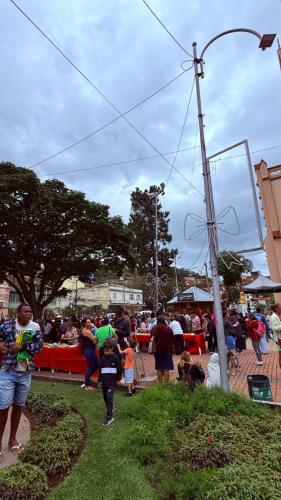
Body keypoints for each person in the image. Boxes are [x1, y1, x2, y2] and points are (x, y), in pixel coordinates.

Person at [0, 304, 43, 457]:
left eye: (30, 312)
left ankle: (12, 440)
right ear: (17, 313)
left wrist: (23, 346)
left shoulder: (35, 327)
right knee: (3, 407)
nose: (29, 314)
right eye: (25, 311)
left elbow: (39, 346)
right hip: (8, 371)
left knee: (18, 406)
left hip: (25, 372)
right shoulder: (7, 325)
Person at [99, 339, 122, 426]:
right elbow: (100, 369)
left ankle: (109, 416)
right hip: (104, 382)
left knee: (109, 397)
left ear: (112, 349)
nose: (105, 351)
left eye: (107, 349)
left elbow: (119, 369)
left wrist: (119, 378)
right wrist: (99, 380)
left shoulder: (115, 358)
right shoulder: (103, 358)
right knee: (105, 397)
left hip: (112, 382)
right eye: (104, 349)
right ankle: (110, 408)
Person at [151, 314, 174, 383]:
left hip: (157, 351)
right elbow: (173, 339)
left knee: (159, 368)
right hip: (167, 351)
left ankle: (160, 384)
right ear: (164, 321)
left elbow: (151, 338)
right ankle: (166, 385)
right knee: (166, 368)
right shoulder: (168, 328)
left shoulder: (154, 328)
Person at [80, 318, 99, 390]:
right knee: (91, 366)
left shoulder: (85, 330)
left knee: (97, 364)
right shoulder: (87, 331)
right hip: (89, 350)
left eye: (90, 322)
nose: (90, 323)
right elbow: (95, 341)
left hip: (90, 350)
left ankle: (87, 378)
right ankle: (87, 385)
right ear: (84, 323)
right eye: (88, 322)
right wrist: (94, 328)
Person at [269, 304, 281, 369]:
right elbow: (275, 328)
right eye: (280, 308)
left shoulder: (278, 315)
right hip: (279, 339)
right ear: (276, 309)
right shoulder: (273, 317)